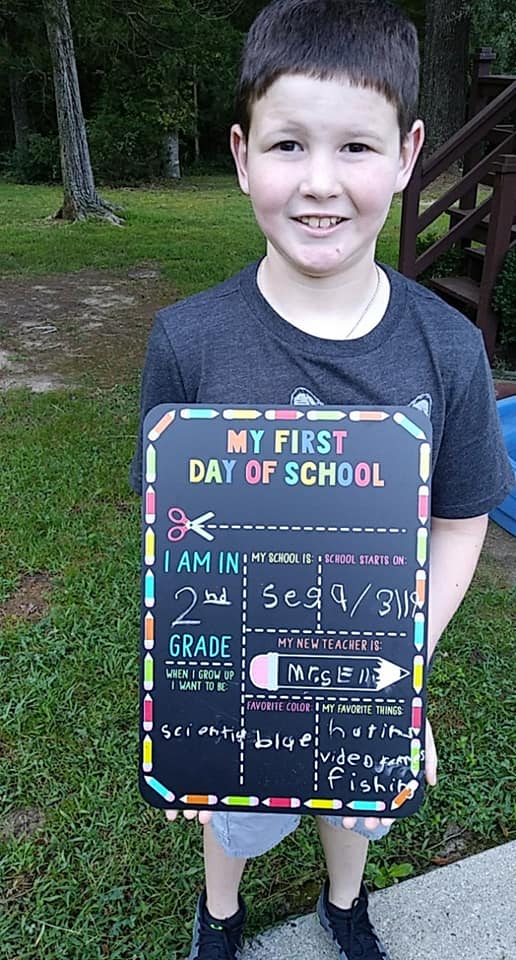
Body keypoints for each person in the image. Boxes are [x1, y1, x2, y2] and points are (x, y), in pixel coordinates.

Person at [130, 1, 514, 957]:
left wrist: (399, 670)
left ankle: (345, 902)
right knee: (234, 821)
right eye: (288, 144)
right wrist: (189, 714)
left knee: (355, 803)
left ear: (408, 153)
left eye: (355, 147)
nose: (319, 182)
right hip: (235, 676)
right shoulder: (187, 342)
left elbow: (461, 516)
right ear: (242, 155)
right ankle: (221, 913)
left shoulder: (449, 351)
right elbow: (174, 531)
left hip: (368, 672)